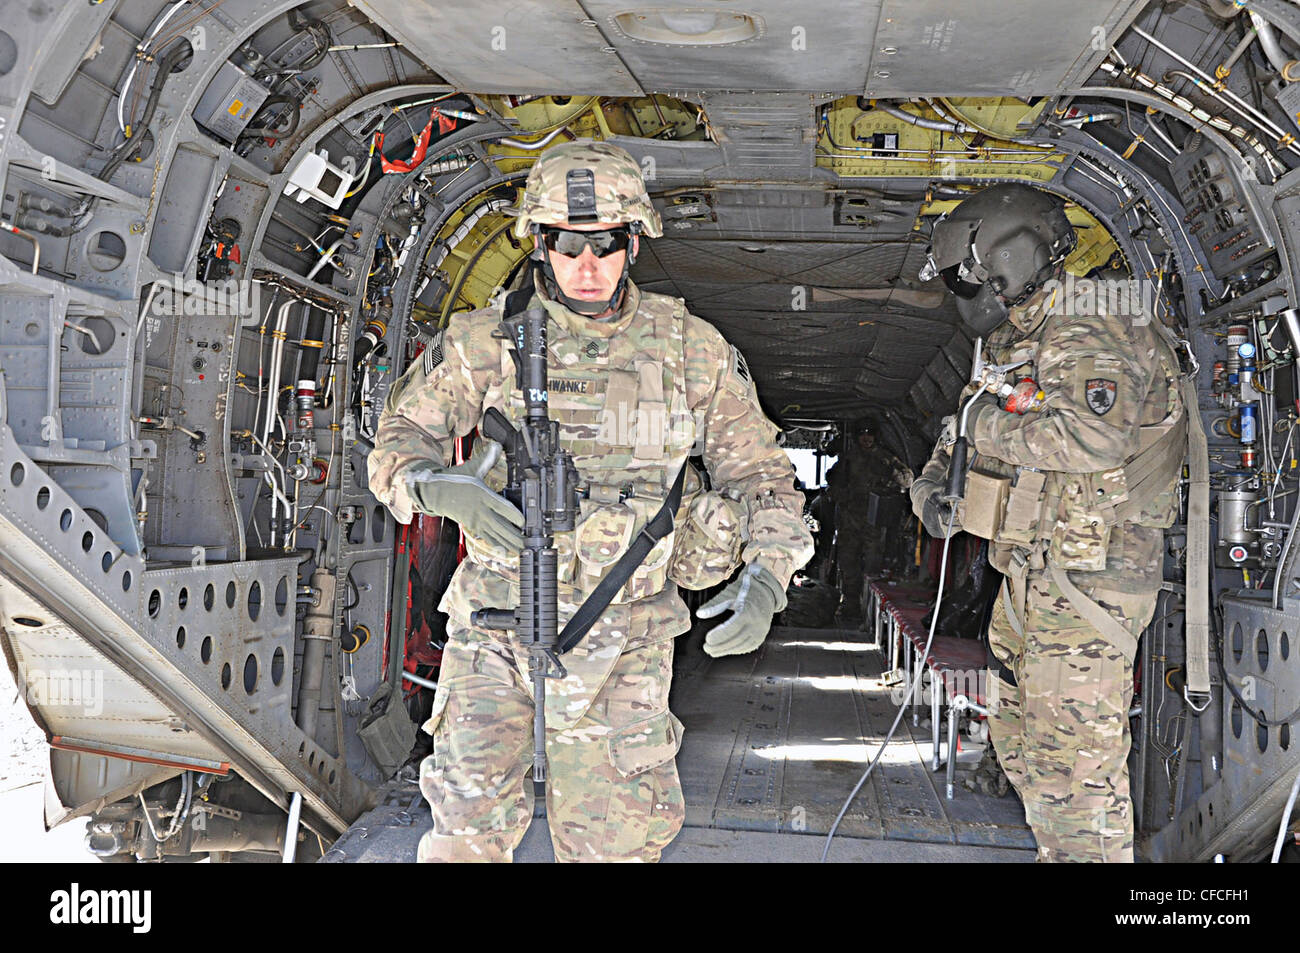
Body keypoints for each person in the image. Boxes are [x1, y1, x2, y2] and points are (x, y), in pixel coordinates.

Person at [367, 139, 813, 862]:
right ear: (539, 242)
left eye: (603, 243)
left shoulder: (688, 350)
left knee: (615, 846)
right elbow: (398, 435)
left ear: (632, 243)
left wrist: (767, 573)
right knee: (463, 832)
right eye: (566, 241)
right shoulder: (486, 340)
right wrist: (428, 484)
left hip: (625, 639)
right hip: (494, 627)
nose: (585, 263)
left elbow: (762, 476)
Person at [909, 183, 1185, 862]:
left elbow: (1089, 441)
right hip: (1032, 576)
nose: (960, 292)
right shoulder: (1015, 341)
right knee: (1023, 738)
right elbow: (960, 436)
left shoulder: (1096, 324)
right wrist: (931, 492)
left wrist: (986, 426)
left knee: (1076, 773)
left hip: (1091, 579)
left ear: (1006, 261)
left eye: (963, 277)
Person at [824, 420, 913, 620]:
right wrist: (843, 495)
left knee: (873, 566)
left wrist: (888, 478)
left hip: (875, 520)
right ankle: (851, 606)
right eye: (863, 434)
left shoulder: (886, 458)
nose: (866, 438)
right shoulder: (848, 459)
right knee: (848, 564)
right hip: (850, 520)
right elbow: (833, 483)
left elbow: (908, 480)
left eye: (870, 434)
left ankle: (871, 611)